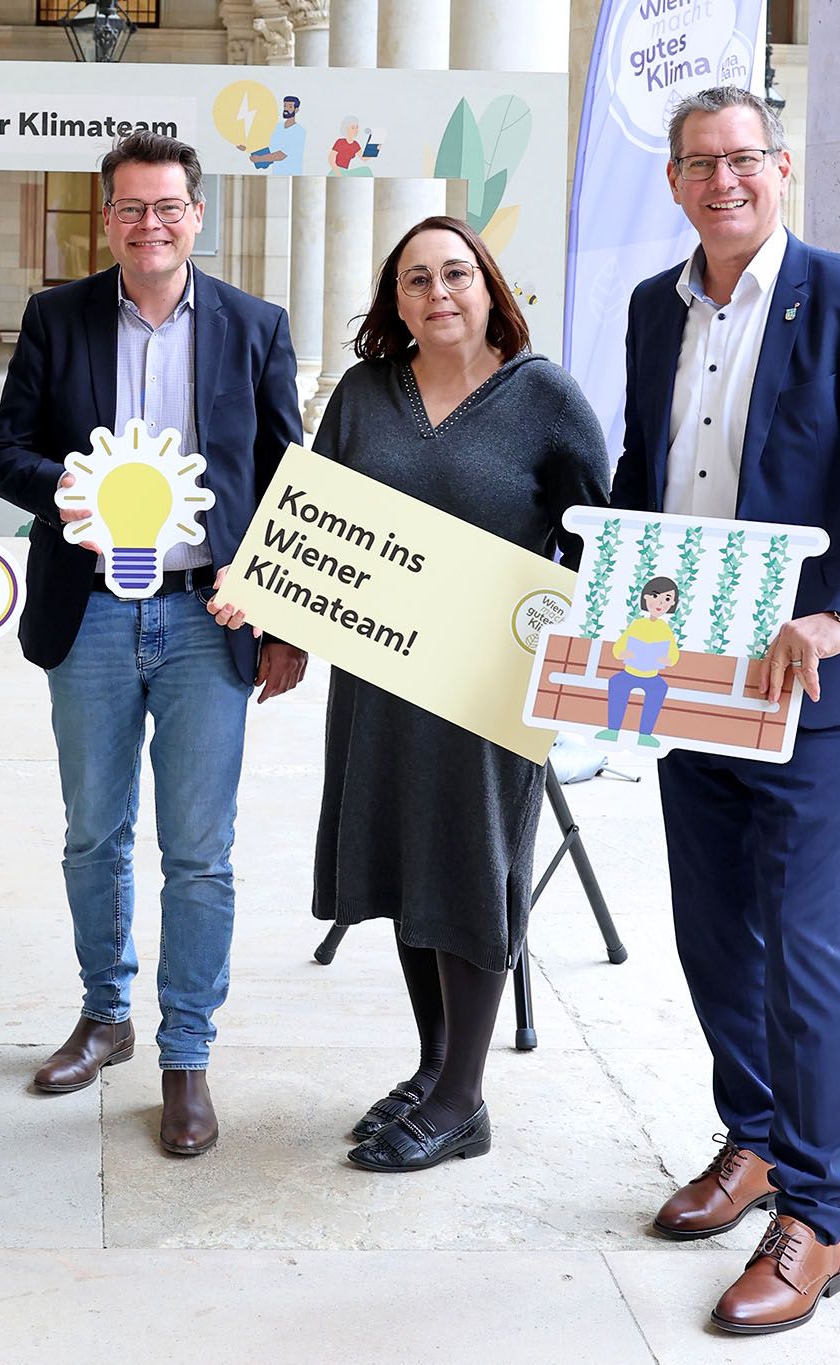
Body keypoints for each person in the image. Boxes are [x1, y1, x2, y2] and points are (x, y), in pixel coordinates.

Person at [616, 86, 840, 1334]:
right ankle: (751, 1140)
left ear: (780, 170)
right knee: (711, 931)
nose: (723, 181)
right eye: (698, 163)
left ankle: (814, 1218)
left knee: (805, 944)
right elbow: (640, 478)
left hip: (809, 682)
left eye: (744, 159)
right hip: (685, 673)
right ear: (671, 182)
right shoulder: (651, 312)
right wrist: (588, 598)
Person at [217, 215, 609, 1173]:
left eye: (456, 274)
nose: (439, 293)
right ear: (395, 299)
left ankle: (465, 1098)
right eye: (416, 279)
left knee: (470, 864)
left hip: (486, 681)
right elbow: (315, 518)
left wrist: (573, 641)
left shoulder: (546, 397)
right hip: (382, 672)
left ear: (489, 285)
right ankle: (436, 1070)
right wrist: (280, 616)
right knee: (401, 860)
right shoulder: (363, 394)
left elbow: (600, 534)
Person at [0, 131, 305, 1155]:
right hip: (89, 609)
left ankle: (187, 1055)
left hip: (205, 618)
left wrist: (282, 612)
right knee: (92, 832)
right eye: (130, 208)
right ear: (106, 218)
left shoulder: (254, 327)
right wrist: (67, 491)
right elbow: (5, 456)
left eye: (167, 207)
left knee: (200, 853)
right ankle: (103, 1015)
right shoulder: (56, 317)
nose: (149, 224)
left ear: (194, 215)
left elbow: (284, 476)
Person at [599, 577, 681, 744]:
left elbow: (673, 654)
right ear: (646, 597)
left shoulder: (665, 629)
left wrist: (667, 659)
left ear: (672, 603)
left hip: (652, 675)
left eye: (667, 599)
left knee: (660, 688)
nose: (660, 603)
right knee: (616, 683)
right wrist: (623, 654)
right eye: (655, 596)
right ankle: (612, 729)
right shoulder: (637, 624)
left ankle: (645, 734)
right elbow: (618, 647)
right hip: (630, 671)